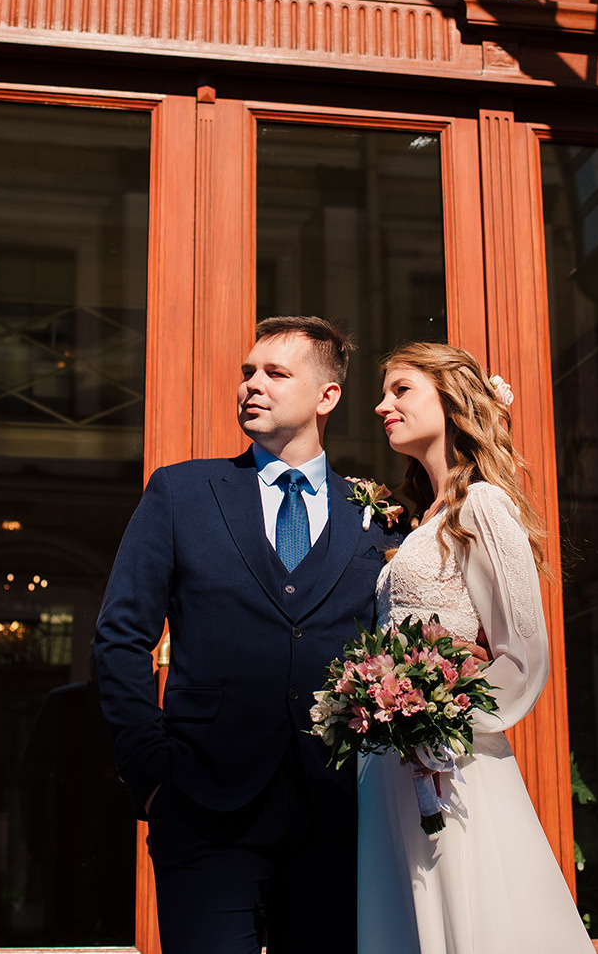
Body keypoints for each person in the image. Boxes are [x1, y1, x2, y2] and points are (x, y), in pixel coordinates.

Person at [93, 315, 399, 954]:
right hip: (203, 807)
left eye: (276, 373)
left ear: (327, 396)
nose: (252, 385)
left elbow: (393, 651)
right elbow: (121, 636)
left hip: (337, 812)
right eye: (247, 372)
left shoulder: (374, 514)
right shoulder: (181, 492)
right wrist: (151, 773)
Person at [357, 341, 593, 953]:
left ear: (450, 399)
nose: (382, 405)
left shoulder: (482, 504)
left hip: (449, 766)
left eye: (400, 389)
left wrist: (440, 723)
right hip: (390, 763)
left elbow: (523, 654)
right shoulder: (424, 517)